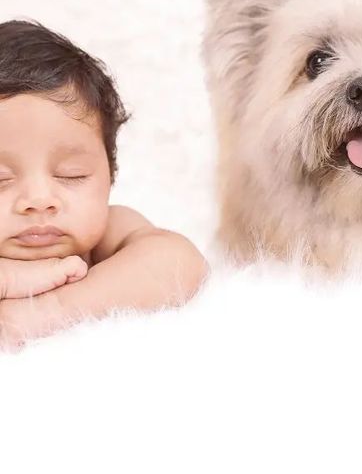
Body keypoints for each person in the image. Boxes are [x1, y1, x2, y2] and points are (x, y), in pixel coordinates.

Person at [0, 20, 208, 348]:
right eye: (1, 180)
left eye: (72, 174)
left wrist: (52, 309)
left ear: (110, 175)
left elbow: (182, 262)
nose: (39, 200)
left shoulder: (108, 232)